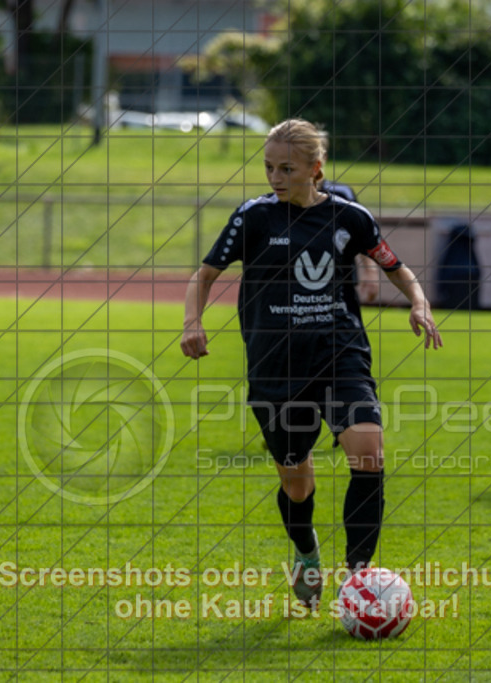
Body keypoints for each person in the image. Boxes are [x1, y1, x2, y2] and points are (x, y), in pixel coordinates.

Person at [181, 118, 443, 607]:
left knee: (369, 453)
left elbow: (396, 267)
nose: (275, 177)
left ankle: (359, 578)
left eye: (287, 168)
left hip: (340, 353)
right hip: (275, 366)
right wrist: (191, 322)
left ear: (316, 169)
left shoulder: (350, 217)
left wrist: (419, 303)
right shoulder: (253, 217)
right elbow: (205, 274)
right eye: (269, 167)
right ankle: (306, 553)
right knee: (298, 486)